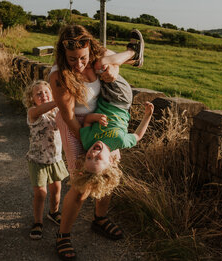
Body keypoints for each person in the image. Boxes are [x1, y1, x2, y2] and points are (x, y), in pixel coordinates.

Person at [49, 25, 143, 260]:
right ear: (63, 54)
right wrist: (87, 139)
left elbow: (112, 62)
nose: (79, 64)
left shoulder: (97, 59)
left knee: (107, 170)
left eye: (83, 57)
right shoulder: (59, 76)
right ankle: (63, 235)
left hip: (101, 117)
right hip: (76, 125)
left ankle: (100, 219)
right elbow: (69, 117)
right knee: (81, 185)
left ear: (89, 49)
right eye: (72, 59)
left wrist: (115, 68)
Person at [22, 80, 69, 240]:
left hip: (55, 159)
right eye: (38, 94)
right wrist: (58, 100)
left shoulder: (57, 111)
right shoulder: (33, 112)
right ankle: (37, 222)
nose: (43, 95)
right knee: (41, 193)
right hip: (38, 161)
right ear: (32, 99)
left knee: (56, 190)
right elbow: (41, 110)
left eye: (46, 92)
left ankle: (54, 212)